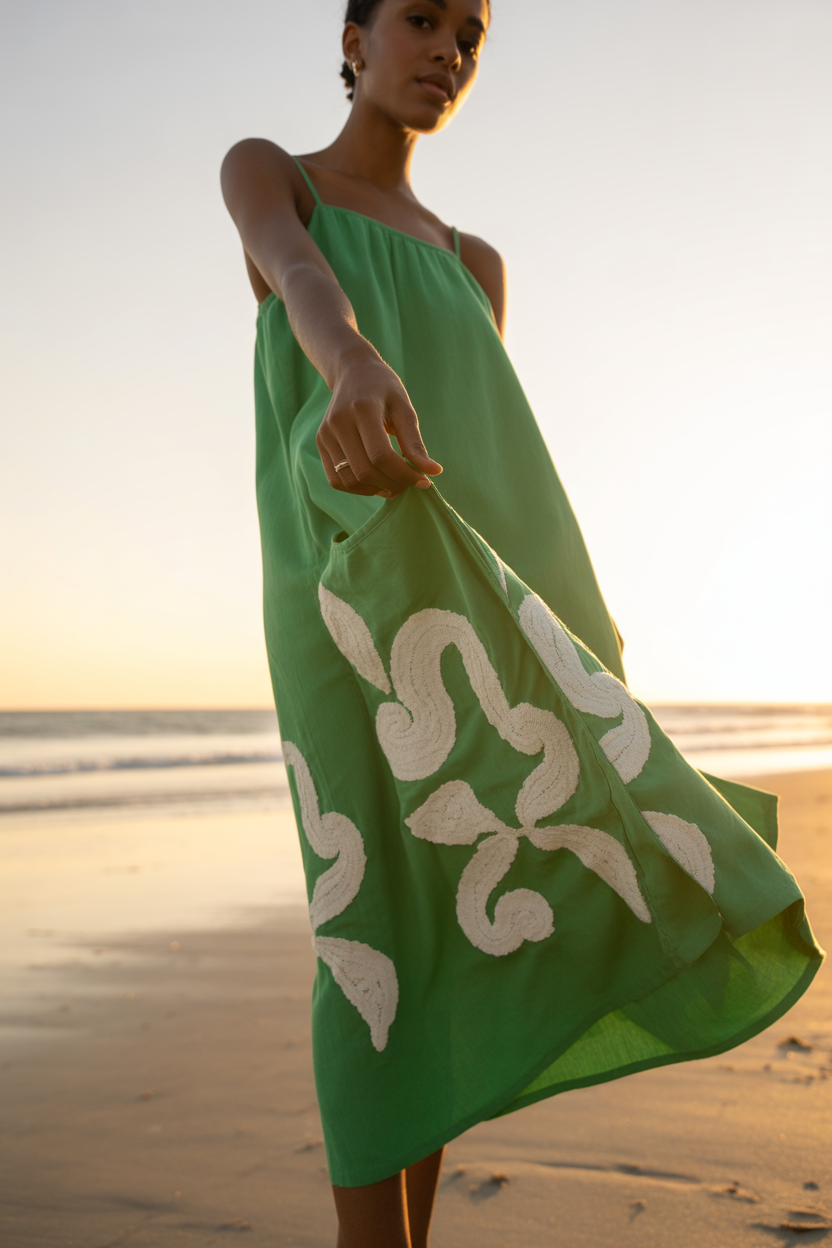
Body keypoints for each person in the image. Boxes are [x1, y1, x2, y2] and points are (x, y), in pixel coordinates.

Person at [221, 3, 823, 1245]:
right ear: (354, 34)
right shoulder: (271, 173)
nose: (448, 51)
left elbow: (491, 450)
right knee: (370, 917)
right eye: (423, 19)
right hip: (341, 577)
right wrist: (347, 362)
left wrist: (565, 625)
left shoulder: (474, 259)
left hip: (488, 593)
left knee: (460, 912)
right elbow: (298, 276)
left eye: (472, 38)